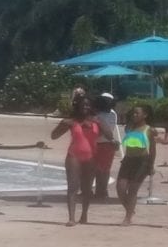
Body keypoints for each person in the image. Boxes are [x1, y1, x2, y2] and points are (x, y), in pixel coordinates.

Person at [50, 93, 100, 226]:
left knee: (87, 188)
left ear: (91, 107)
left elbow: (109, 134)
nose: (85, 107)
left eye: (88, 105)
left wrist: (98, 122)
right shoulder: (71, 121)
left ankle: (84, 215)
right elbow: (53, 136)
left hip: (91, 156)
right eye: (83, 105)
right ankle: (71, 218)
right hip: (74, 155)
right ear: (77, 106)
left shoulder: (96, 121)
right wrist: (63, 124)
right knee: (73, 186)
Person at [116, 104, 155, 226]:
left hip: (142, 161)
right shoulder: (130, 128)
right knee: (120, 188)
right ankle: (130, 210)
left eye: (137, 113)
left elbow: (153, 149)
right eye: (133, 113)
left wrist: (151, 166)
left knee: (132, 190)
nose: (134, 115)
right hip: (128, 160)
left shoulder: (149, 130)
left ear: (145, 115)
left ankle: (127, 217)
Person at [90, 92, 121, 199]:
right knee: (92, 169)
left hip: (105, 144)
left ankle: (102, 190)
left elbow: (105, 131)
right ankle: (90, 190)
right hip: (94, 143)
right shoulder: (96, 113)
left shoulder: (112, 114)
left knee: (103, 170)